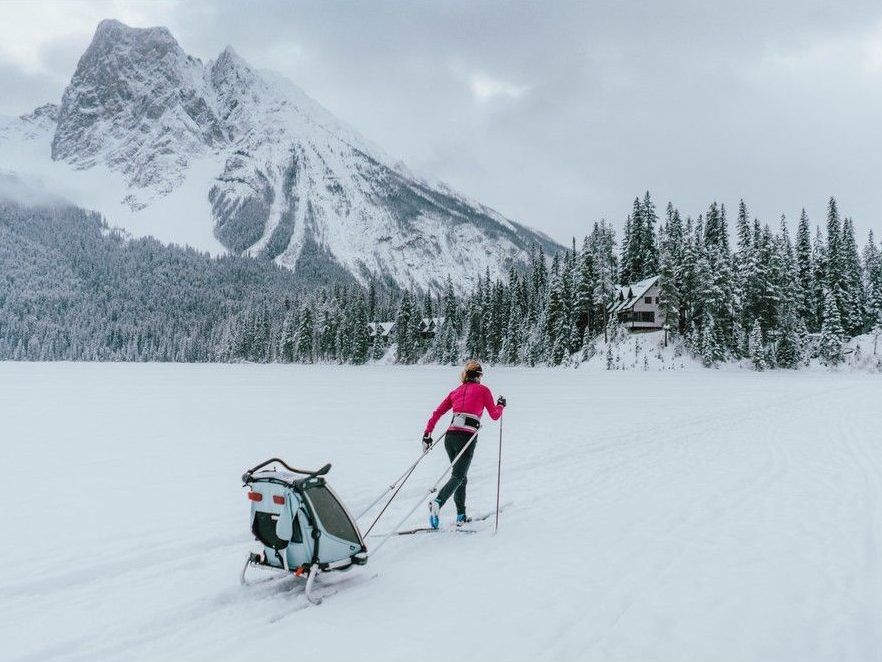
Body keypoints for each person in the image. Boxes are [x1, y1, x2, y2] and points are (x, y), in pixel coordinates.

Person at [422, 360, 506, 528]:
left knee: (461, 476)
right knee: (459, 475)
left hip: (450, 437)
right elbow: (495, 415)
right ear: (479, 376)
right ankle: (438, 501)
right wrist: (501, 405)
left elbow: (437, 413)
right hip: (466, 438)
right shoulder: (483, 390)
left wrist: (427, 435)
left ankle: (461, 515)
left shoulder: (456, 391)